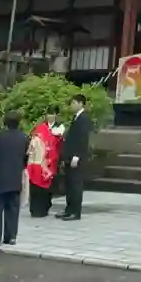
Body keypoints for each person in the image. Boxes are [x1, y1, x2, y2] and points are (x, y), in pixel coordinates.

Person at [0, 110, 30, 246]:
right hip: (15, 177)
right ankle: (10, 237)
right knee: (13, 208)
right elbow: (26, 157)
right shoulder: (24, 138)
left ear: (5, 122)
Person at [56, 93, 92, 221]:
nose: (71, 105)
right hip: (69, 156)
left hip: (76, 158)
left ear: (81, 104)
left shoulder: (83, 118)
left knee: (76, 185)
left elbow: (82, 139)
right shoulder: (76, 118)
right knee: (69, 184)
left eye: (73, 103)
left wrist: (76, 156)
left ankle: (75, 212)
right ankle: (69, 209)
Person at [26, 111, 63, 218]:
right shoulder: (40, 127)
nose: (50, 116)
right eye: (49, 114)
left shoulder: (59, 128)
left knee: (47, 188)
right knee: (36, 186)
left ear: (56, 115)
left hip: (51, 162)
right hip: (37, 162)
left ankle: (44, 208)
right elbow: (32, 145)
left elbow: (59, 145)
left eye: (52, 114)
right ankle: (35, 209)